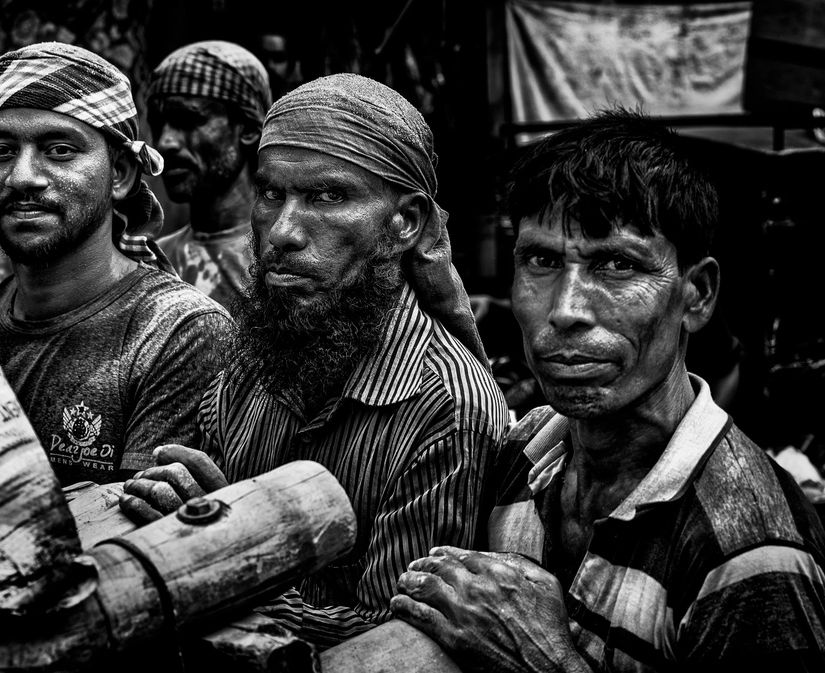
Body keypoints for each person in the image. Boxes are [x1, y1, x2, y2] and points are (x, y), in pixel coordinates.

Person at [391, 109, 825, 671]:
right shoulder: (521, 455)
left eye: (617, 263)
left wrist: (547, 662)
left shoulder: (752, 555)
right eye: (542, 260)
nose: (567, 309)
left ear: (696, 295)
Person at [120, 73, 509, 647]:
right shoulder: (252, 368)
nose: (282, 231)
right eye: (271, 194)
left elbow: (401, 643)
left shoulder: (445, 409)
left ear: (405, 223)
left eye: (328, 196)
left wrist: (230, 559)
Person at [0, 42, 234, 487]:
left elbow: (128, 532)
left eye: (60, 149)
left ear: (121, 173)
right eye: (1, 150)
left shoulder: (175, 333)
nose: (23, 176)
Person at [146, 40, 272, 314]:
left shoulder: (280, 261)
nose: (165, 142)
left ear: (247, 128)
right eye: (158, 125)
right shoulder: (150, 262)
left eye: (188, 120)